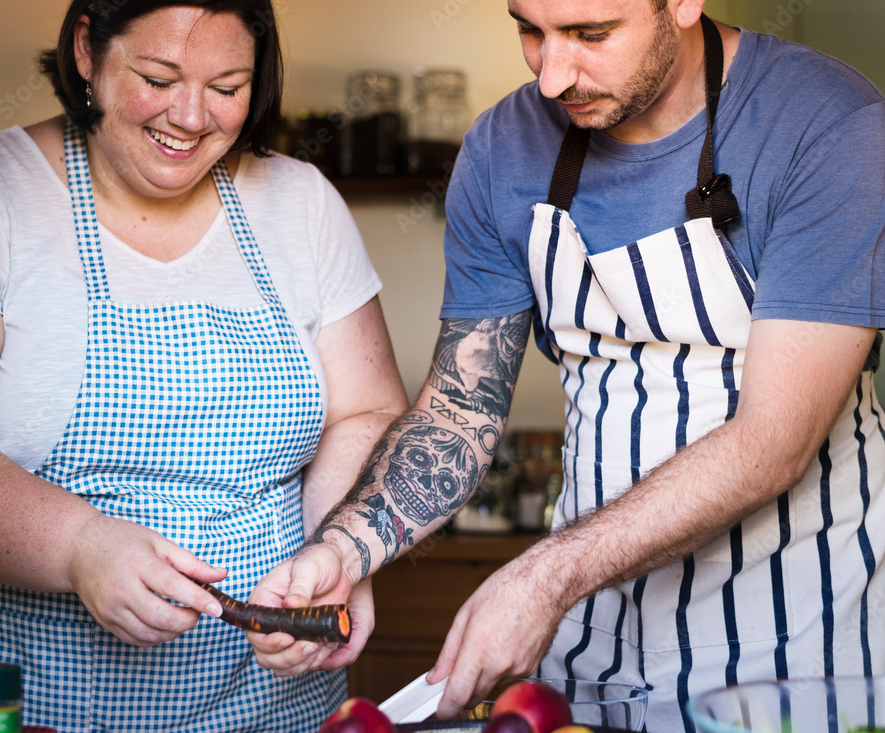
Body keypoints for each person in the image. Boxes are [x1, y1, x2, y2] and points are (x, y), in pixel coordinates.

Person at [247, 0, 885, 730]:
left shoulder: (830, 125)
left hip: (795, 641)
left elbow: (773, 442)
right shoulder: (501, 148)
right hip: (589, 641)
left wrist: (546, 574)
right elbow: (460, 413)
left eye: (589, 34)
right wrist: (344, 548)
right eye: (529, 30)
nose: (552, 77)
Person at [0, 1, 407, 731]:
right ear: (87, 51)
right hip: (17, 701)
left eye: (227, 87)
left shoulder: (300, 202)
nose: (192, 116)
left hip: (266, 706)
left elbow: (366, 411)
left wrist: (341, 549)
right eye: (160, 77)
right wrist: (77, 545)